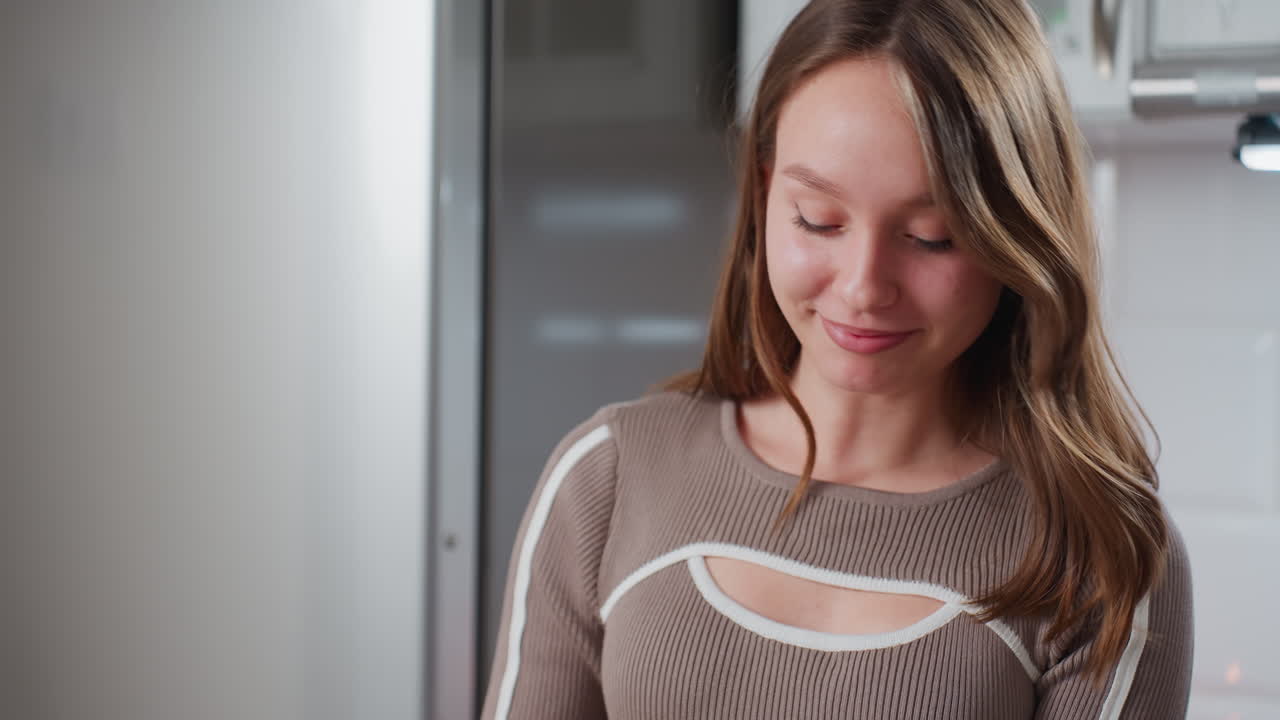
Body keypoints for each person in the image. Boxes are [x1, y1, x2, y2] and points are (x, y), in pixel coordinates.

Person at [481, 0, 1194, 717]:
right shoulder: (606, 480)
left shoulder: (1105, 559)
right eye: (817, 219)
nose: (862, 288)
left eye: (931, 235)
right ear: (763, 196)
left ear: (1015, 237)